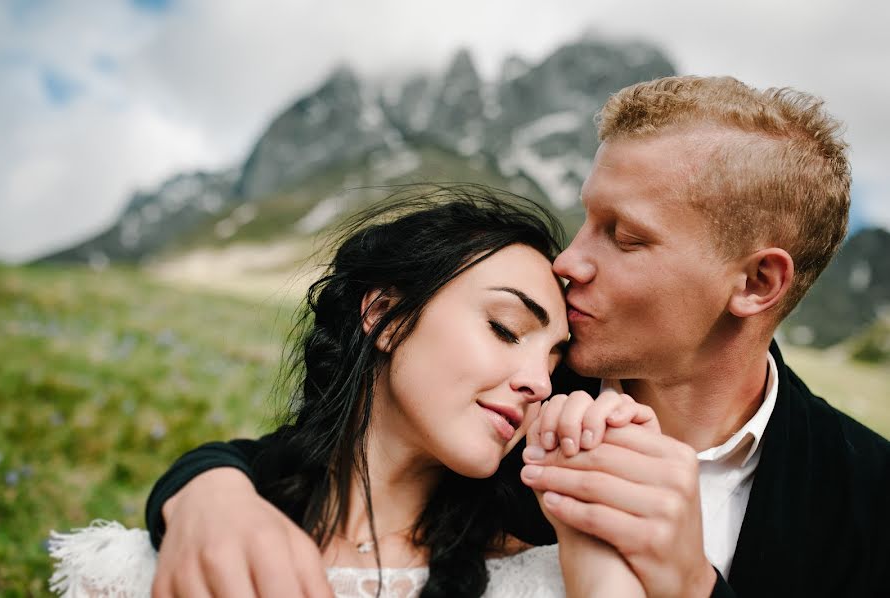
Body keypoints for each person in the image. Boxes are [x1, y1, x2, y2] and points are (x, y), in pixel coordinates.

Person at [140, 76, 890, 598]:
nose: (569, 262)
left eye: (622, 237)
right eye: (586, 218)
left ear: (757, 284)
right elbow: (312, 460)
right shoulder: (512, 410)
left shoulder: (869, 492)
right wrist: (208, 493)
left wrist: (693, 588)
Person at [49, 187, 660, 597]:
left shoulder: (543, 574)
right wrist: (205, 491)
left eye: (555, 357)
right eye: (506, 328)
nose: (539, 381)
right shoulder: (178, 552)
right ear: (387, 315)